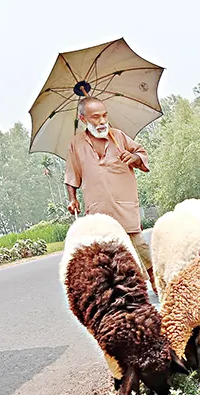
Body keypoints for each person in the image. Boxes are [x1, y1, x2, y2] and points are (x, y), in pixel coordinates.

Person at [64, 96, 157, 294]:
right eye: (95, 117)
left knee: (139, 246)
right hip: (99, 210)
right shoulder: (76, 144)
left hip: (124, 206)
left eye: (104, 115)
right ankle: (126, 291)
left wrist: (133, 158)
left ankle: (157, 283)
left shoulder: (119, 137)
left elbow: (141, 155)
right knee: (109, 254)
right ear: (83, 119)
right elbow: (71, 175)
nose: (102, 121)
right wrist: (72, 199)